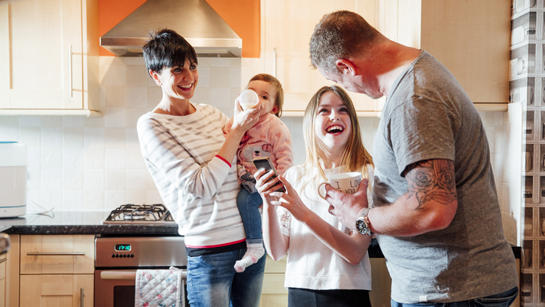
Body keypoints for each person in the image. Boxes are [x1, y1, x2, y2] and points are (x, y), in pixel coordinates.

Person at [309, 10, 518, 306]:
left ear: (346, 66)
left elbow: (432, 208)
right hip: (448, 289)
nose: (350, 91)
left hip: (449, 292)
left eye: (339, 81)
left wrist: (361, 218)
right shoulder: (418, 77)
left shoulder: (414, 99)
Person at [136, 28, 265, 307]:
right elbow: (200, 186)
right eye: (178, 69)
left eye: (193, 67)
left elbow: (237, 160)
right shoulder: (152, 125)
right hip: (210, 250)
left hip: (251, 244)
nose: (189, 77)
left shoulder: (210, 113)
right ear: (155, 75)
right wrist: (235, 132)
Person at [255, 85, 374, 307]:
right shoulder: (295, 176)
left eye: (343, 110)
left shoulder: (367, 176)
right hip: (300, 289)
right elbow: (277, 251)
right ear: (311, 122)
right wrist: (268, 204)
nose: (334, 116)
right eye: (324, 110)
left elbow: (356, 251)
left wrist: (303, 213)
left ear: (353, 123)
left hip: (349, 290)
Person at [231, 73, 293, 273]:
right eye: (252, 93)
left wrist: (279, 186)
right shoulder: (241, 121)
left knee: (245, 200)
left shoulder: (275, 126)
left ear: (274, 108)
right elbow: (227, 136)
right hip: (248, 178)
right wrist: (236, 114)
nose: (257, 100)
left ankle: (255, 246)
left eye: (264, 97)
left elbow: (285, 156)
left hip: (266, 181)